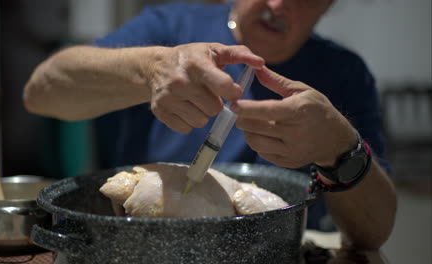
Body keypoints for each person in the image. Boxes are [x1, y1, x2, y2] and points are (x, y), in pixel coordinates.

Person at [23, 0, 396, 250]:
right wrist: (151, 69)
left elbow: (373, 233)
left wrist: (340, 148)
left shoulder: (344, 75)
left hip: (274, 252)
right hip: (148, 248)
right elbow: (41, 92)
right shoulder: (171, 27)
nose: (279, 4)